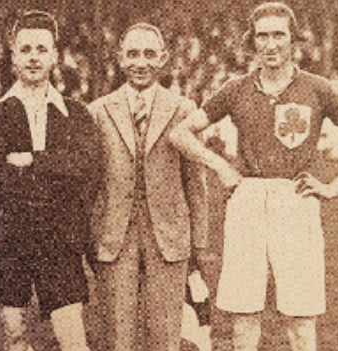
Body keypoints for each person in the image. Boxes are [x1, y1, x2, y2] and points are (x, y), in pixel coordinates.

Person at [169, 3, 338, 351]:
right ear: (252, 42)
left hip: (297, 199)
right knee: (244, 318)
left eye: (278, 35)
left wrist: (333, 187)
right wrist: (220, 165)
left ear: (293, 41)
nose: (270, 44)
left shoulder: (318, 88)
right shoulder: (235, 89)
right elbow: (180, 134)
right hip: (248, 199)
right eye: (262, 36)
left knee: (301, 319)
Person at [0, 10, 101, 351]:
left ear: (55, 56)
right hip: (8, 237)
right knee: (14, 333)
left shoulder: (75, 113)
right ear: (14, 55)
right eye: (26, 49)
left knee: (72, 337)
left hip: (59, 236)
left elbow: (85, 169)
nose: (34, 57)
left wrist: (32, 159)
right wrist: (56, 171)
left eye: (42, 49)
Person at [87, 23, 208, 351]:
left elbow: (195, 183)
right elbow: (89, 184)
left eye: (150, 54)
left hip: (168, 236)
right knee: (117, 335)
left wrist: (199, 242)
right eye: (133, 54)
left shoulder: (183, 110)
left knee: (166, 334)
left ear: (164, 59)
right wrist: (89, 235)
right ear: (120, 59)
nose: (141, 62)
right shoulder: (97, 112)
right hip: (114, 236)